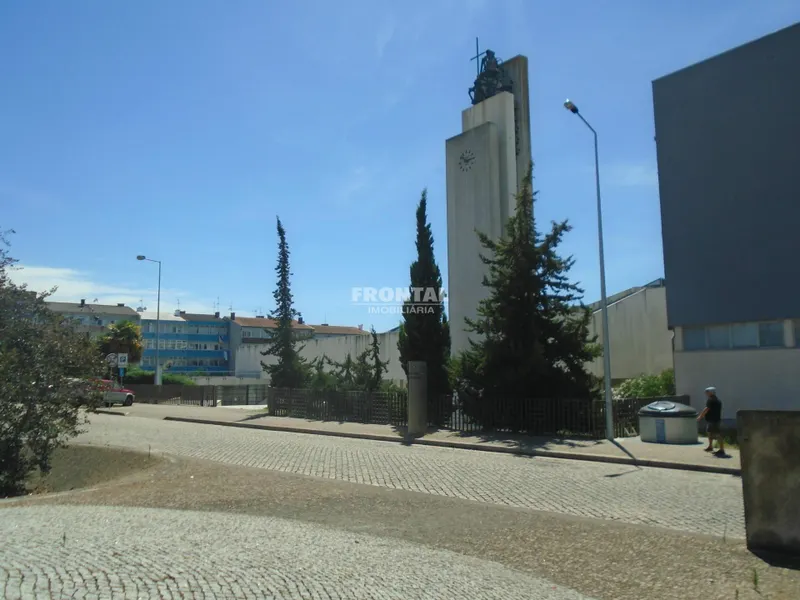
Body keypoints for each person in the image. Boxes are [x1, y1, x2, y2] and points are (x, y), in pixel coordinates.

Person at [697, 386, 725, 456]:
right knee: (710, 433)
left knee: (717, 434)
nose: (706, 393)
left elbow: (706, 409)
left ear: (711, 392)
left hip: (713, 420)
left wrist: (700, 416)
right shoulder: (718, 400)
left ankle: (721, 449)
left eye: (707, 392)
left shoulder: (711, 400)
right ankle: (710, 446)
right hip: (715, 419)